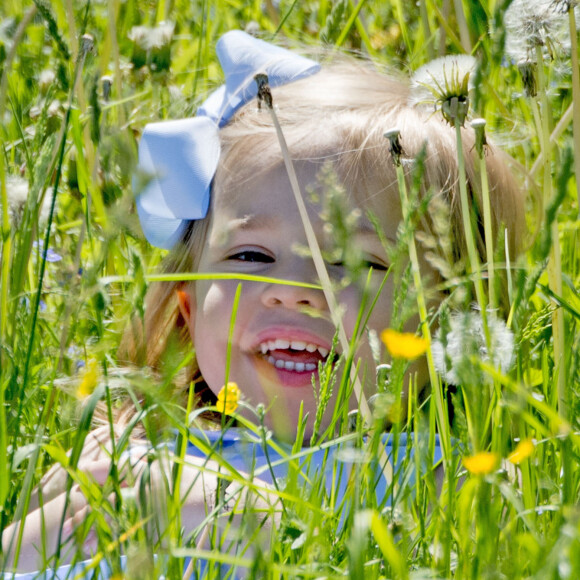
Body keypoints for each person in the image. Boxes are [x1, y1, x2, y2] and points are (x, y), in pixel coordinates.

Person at [2, 30, 525, 577]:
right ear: (187, 304)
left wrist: (253, 519)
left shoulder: (446, 480)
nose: (297, 289)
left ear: (452, 321)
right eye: (251, 254)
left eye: (361, 261)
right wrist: (54, 526)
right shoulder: (135, 449)